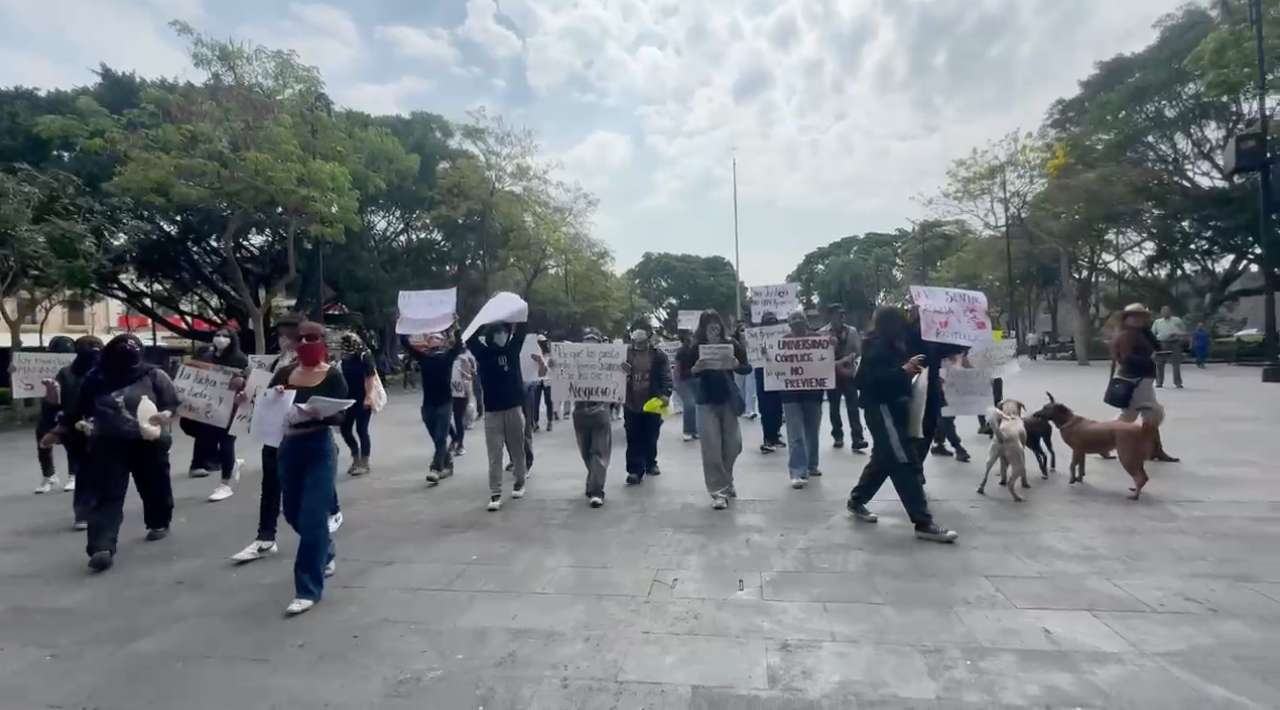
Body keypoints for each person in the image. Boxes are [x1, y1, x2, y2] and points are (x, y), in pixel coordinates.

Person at [42, 333, 181, 571]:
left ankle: (159, 522)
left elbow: (171, 403)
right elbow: (76, 409)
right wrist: (58, 431)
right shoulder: (94, 378)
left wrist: (165, 415)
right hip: (107, 444)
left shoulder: (154, 375)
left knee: (154, 485)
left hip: (147, 442)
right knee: (107, 496)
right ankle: (101, 546)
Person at [231, 314, 343, 564]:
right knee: (271, 486)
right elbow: (263, 393)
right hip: (275, 435)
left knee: (313, 495)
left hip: (309, 437)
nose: (286, 340)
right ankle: (265, 537)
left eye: (289, 335)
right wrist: (244, 395)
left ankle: (325, 535)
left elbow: (338, 408)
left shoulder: (324, 367)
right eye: (283, 335)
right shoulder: (277, 365)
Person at [845, 307, 958, 543]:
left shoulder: (892, 344)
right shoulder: (875, 346)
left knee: (883, 460)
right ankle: (923, 522)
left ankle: (857, 499)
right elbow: (868, 381)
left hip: (895, 410)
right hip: (882, 410)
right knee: (904, 462)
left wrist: (907, 367)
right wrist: (902, 371)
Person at [270, 320, 349, 616]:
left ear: (323, 341)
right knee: (292, 512)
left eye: (312, 338)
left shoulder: (333, 376)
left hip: (320, 448)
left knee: (314, 514)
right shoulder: (284, 374)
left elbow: (342, 415)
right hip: (289, 447)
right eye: (300, 339)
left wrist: (321, 414)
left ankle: (307, 589)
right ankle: (324, 548)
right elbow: (264, 406)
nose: (305, 343)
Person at [680, 310, 752, 509]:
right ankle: (718, 491)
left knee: (733, 444)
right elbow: (683, 374)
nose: (714, 328)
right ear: (703, 328)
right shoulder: (694, 348)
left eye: (716, 324)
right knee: (711, 448)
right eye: (709, 324)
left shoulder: (732, 344)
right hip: (705, 401)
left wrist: (736, 364)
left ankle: (726, 479)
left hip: (727, 399)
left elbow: (747, 368)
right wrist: (696, 369)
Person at [38, 336, 102, 528]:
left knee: (104, 472)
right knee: (84, 471)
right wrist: (52, 391)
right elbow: (54, 405)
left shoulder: (109, 371)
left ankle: (101, 509)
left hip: (106, 427)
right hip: (77, 428)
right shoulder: (66, 374)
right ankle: (84, 514)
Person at [468, 321, 530, 512]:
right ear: (491, 337)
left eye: (504, 332)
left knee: (517, 449)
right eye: (498, 333)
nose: (501, 336)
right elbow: (469, 337)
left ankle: (520, 481)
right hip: (492, 412)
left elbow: (522, 330)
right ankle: (495, 492)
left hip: (513, 408)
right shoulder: (483, 353)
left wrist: (514, 317)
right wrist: (483, 319)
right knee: (494, 454)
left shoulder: (512, 349)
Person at [1112, 303, 1179, 462]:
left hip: (1143, 378)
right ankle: (1102, 439)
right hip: (1135, 378)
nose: (1139, 319)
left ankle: (1154, 449)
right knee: (1149, 414)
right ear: (1127, 318)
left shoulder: (1140, 333)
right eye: (1135, 316)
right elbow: (1126, 358)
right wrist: (1149, 359)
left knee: (1137, 415)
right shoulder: (1126, 335)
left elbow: (1156, 345)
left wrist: (1147, 331)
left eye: (1142, 316)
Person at [411, 328, 465, 484]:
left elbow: (458, 345)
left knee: (441, 438)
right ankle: (448, 465)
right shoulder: (423, 358)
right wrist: (403, 325)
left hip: (445, 404)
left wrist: (455, 327)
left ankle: (436, 469)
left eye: (436, 337)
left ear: (442, 341)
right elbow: (405, 344)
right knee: (436, 439)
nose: (433, 339)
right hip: (428, 405)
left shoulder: (448, 356)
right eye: (431, 338)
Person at [202, 328, 249, 502]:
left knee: (226, 442)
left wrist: (242, 384)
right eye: (217, 335)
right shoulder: (207, 357)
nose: (220, 339)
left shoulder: (240, 359)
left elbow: (251, 383)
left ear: (232, 340)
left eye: (225, 336)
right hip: (210, 407)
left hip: (232, 408)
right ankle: (232, 464)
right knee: (214, 442)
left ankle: (225, 484)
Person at [622, 322, 673, 485]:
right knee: (633, 436)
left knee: (651, 433)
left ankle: (651, 462)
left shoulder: (659, 356)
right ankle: (635, 470)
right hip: (630, 401)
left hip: (653, 400)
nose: (639, 340)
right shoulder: (624, 355)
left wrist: (666, 393)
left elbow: (666, 375)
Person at [780, 309, 826, 488]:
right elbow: (774, 363)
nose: (797, 325)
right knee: (796, 434)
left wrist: (832, 344)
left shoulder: (818, 340)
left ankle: (812, 465)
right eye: (794, 322)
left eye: (800, 321)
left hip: (813, 393)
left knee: (812, 431)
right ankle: (798, 472)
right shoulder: (783, 342)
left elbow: (827, 357)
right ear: (790, 325)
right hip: (790, 394)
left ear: (806, 323)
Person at [573, 328, 613, 507]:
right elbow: (560, 377)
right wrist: (553, 366)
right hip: (580, 412)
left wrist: (623, 370)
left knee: (598, 451)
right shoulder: (574, 363)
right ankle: (593, 480)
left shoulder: (608, 363)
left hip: (600, 411)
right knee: (586, 451)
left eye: (593, 342)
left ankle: (597, 490)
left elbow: (619, 380)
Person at [32, 336, 77, 495]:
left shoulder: (74, 370)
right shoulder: (45, 366)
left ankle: (73, 475)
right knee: (42, 441)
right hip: (48, 411)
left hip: (67, 409)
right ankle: (49, 475)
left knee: (71, 442)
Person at [825, 305, 868, 451]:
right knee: (834, 407)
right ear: (830, 316)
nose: (841, 318)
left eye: (842, 315)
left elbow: (858, 350)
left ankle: (858, 438)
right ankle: (837, 435)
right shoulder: (823, 333)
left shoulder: (852, 331)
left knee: (853, 407)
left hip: (848, 373)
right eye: (837, 315)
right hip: (832, 374)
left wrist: (850, 357)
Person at [338, 333, 378, 476]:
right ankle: (355, 456)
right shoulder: (343, 357)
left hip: (362, 397)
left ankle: (365, 462)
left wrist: (368, 397)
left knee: (362, 430)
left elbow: (370, 377)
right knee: (345, 429)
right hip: (347, 398)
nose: (346, 346)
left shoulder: (364, 355)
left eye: (348, 343)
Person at [755, 312, 785, 453]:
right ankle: (767, 438)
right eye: (768, 323)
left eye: (773, 322)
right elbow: (753, 357)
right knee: (766, 409)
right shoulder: (756, 339)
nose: (771, 325)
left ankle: (775, 435)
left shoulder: (782, 337)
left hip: (778, 376)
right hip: (763, 376)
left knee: (778, 408)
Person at [1152, 305, 1187, 389]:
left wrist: (1177, 334)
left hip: (1174, 343)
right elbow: (1152, 334)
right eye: (1163, 311)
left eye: (1167, 311)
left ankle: (1178, 383)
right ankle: (1159, 382)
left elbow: (1184, 332)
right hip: (1161, 344)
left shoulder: (1177, 320)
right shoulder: (1157, 322)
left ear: (1170, 312)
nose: (1165, 313)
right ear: (1161, 313)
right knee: (1159, 364)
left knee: (1176, 364)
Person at [449, 348, 476, 457]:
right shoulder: (447, 359)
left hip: (460, 394)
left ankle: (460, 445)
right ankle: (455, 439)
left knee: (458, 420)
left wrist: (464, 373)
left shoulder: (463, 360)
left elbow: (470, 377)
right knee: (445, 419)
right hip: (449, 393)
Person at [674, 331, 700, 442]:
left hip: (695, 379)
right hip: (683, 380)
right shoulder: (681, 351)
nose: (693, 338)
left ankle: (695, 431)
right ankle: (688, 431)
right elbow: (677, 368)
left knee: (696, 405)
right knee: (690, 404)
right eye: (690, 336)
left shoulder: (697, 350)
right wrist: (675, 382)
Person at [732, 321, 759, 420]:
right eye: (742, 330)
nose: (745, 332)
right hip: (738, 367)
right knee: (739, 387)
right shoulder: (735, 343)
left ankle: (749, 410)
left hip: (751, 365)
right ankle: (740, 408)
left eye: (747, 330)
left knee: (751, 387)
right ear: (738, 332)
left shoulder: (754, 342)